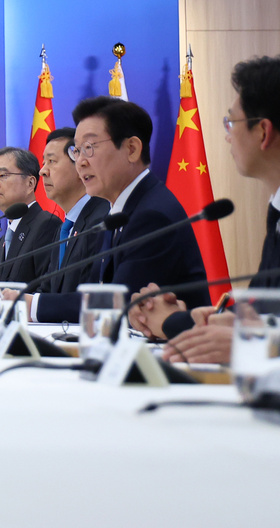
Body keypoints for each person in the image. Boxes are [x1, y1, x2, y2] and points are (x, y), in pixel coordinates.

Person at [127, 56, 280, 363]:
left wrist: (251, 345)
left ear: (263, 132)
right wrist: (199, 319)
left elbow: (261, 334)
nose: (227, 134)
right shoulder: (276, 211)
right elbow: (263, 317)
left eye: (231, 122)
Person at [28, 97, 209, 324]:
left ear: (131, 149)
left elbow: (116, 304)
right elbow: (94, 294)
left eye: (89, 148)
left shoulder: (152, 215)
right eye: (77, 151)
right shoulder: (117, 212)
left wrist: (30, 305)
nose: (80, 162)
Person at [38, 127, 110, 294]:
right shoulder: (63, 229)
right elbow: (49, 289)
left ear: (80, 165)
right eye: (43, 163)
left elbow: (90, 296)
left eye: (51, 161)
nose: (42, 171)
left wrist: (32, 303)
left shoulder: (101, 221)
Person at [0, 147, 62, 287]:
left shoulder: (46, 225)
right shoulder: (5, 239)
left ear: (30, 183)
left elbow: (47, 288)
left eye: (2, 176)